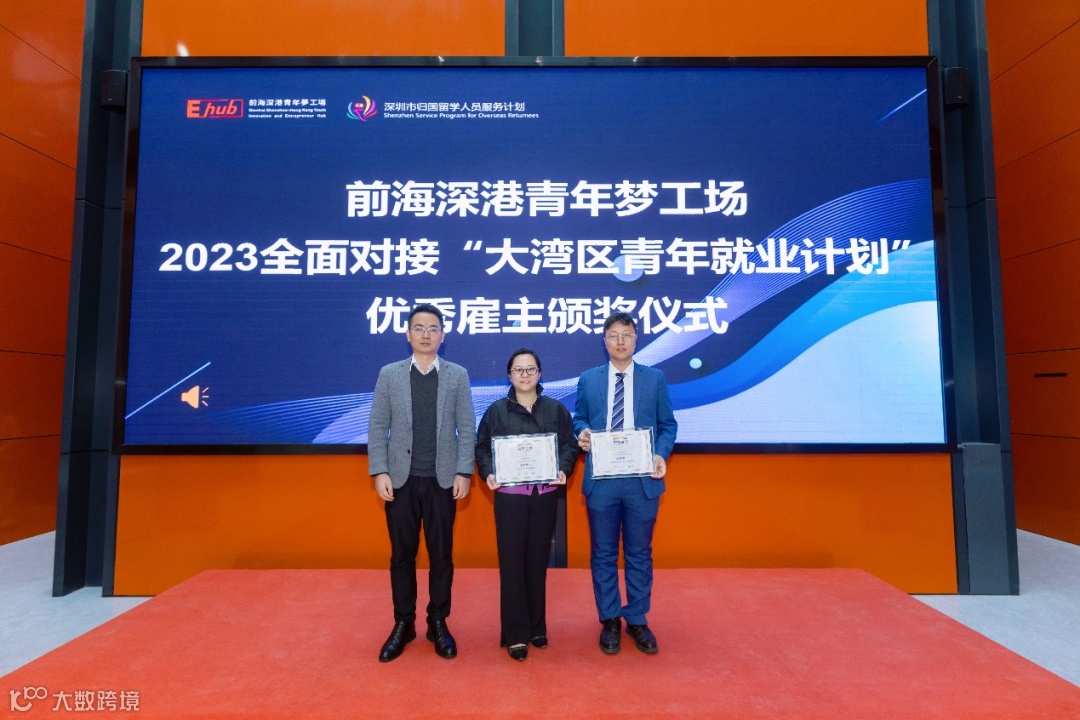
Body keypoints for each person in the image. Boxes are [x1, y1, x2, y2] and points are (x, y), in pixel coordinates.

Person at [368, 303, 476, 662]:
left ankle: (438, 622)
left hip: (442, 480)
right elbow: (377, 425)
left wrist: (464, 471)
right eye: (419, 327)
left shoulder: (457, 375)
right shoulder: (390, 374)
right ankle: (404, 623)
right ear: (408, 334)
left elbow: (466, 426)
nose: (426, 334)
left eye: (433, 328)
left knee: (441, 556)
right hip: (400, 480)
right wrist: (380, 471)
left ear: (443, 336)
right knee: (402, 556)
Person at [573, 311, 677, 655]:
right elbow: (579, 418)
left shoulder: (655, 378)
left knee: (639, 552)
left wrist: (660, 453)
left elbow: (668, 425)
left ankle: (636, 618)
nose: (620, 341)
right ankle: (609, 619)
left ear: (636, 339)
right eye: (613, 335)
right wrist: (581, 433)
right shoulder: (588, 379)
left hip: (641, 479)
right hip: (602, 479)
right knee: (603, 553)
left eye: (626, 335)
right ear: (604, 341)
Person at [475, 349, 579, 661]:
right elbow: (482, 448)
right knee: (512, 565)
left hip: (544, 497)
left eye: (530, 369)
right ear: (509, 375)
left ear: (540, 374)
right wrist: (488, 471)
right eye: (518, 370)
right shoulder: (496, 411)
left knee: (537, 562)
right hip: (510, 499)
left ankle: (537, 627)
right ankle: (516, 633)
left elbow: (569, 444)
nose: (525, 375)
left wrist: (564, 467)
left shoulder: (555, 409)